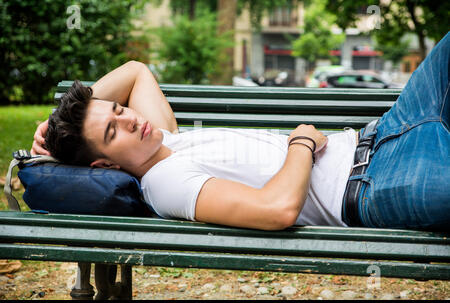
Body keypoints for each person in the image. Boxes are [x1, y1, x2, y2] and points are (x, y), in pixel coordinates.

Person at [31, 32, 450, 231]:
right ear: (103, 162)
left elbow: (136, 72)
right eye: (111, 131)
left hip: (386, 131)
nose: (128, 118)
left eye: (120, 109)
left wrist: (53, 124)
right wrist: (302, 142)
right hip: (377, 184)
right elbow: (277, 210)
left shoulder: (162, 138)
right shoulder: (165, 182)